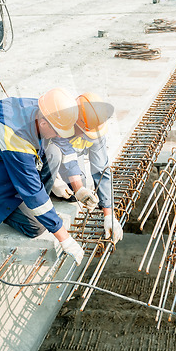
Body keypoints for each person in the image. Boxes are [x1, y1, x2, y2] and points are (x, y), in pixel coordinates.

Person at [0, 88, 97, 266]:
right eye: (57, 131)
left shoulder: (43, 109)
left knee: (54, 152)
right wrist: (65, 239)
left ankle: (41, 210)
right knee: (37, 226)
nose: (58, 135)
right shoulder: (15, 141)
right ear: (45, 124)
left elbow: (65, 146)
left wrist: (79, 188)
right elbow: (33, 193)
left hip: (6, 165)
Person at [50, 92, 123, 245]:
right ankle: (48, 188)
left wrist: (109, 214)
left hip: (69, 159)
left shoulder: (94, 130)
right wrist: (55, 180)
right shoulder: (60, 121)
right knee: (55, 159)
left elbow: (101, 169)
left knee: (78, 185)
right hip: (49, 155)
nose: (90, 136)